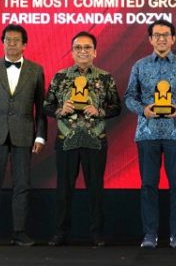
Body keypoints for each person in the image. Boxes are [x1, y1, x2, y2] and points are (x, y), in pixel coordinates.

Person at [124, 19, 176, 249]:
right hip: (147, 133)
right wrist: (143, 110)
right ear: (150, 39)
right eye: (156, 35)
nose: (161, 39)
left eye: (165, 34)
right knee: (148, 184)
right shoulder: (140, 66)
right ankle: (150, 234)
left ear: (173, 38)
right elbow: (129, 96)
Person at [0, 24, 47, 247]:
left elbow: (40, 107)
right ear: (3, 43)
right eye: (8, 40)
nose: (11, 44)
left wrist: (40, 135)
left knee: (22, 185)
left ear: (24, 45)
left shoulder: (36, 70)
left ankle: (19, 232)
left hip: (24, 134)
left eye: (16, 40)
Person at [43, 31, 121, 247]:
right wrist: (60, 110)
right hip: (66, 139)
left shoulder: (105, 77)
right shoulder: (60, 77)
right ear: (72, 52)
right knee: (63, 190)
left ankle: (97, 234)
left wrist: (100, 111)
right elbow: (46, 105)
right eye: (78, 48)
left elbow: (117, 107)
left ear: (95, 52)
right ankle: (60, 233)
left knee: (95, 190)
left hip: (95, 139)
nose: (83, 51)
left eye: (87, 47)